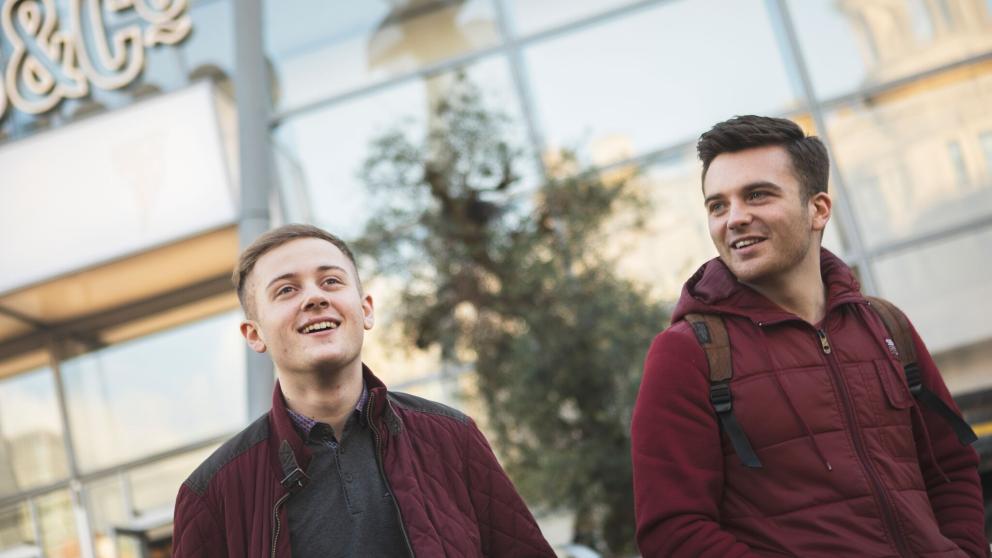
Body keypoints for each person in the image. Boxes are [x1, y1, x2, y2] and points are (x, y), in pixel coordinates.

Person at [630, 115, 988, 557]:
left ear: (818, 209)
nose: (735, 218)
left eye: (757, 195)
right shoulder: (686, 354)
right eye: (717, 205)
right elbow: (674, 533)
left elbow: (950, 466)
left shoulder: (886, 326)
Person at [172, 224, 554, 557]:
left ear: (366, 309)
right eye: (286, 290)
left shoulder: (453, 437)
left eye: (331, 281)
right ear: (254, 334)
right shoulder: (212, 494)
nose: (315, 298)